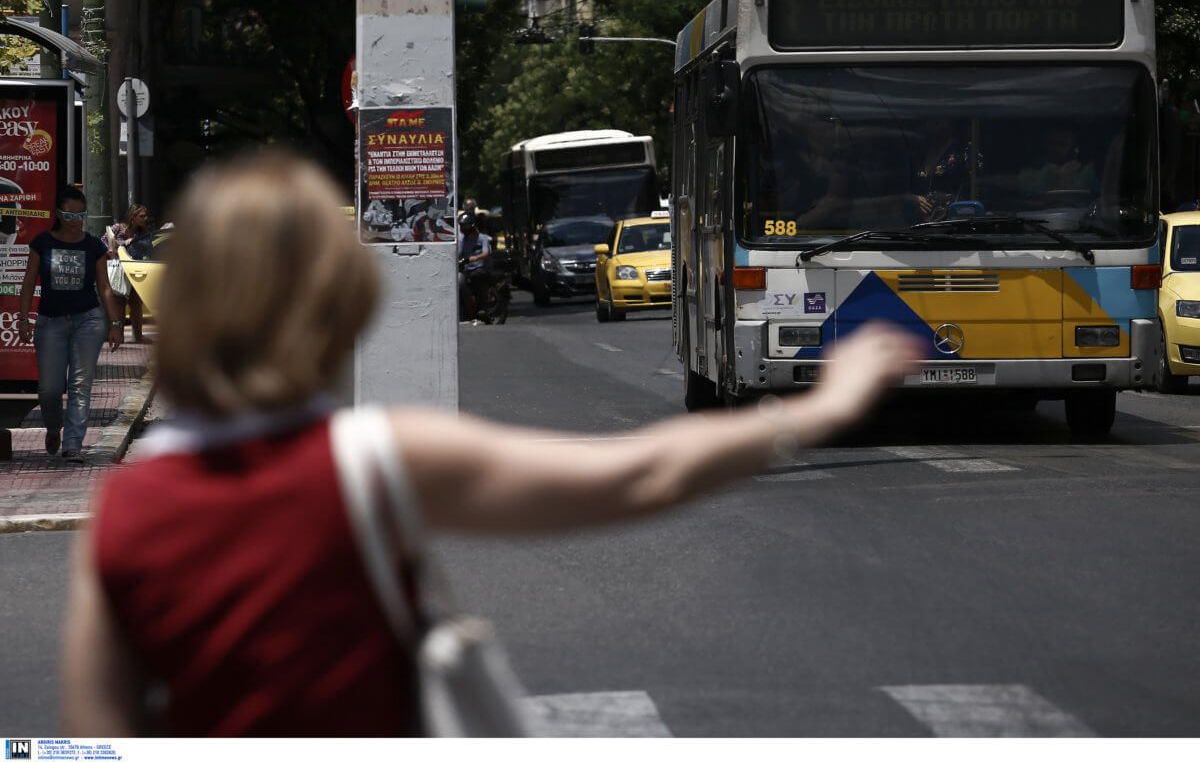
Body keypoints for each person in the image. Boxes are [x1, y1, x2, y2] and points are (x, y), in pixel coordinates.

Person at [60, 150, 919, 737]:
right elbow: (638, 474)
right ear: (339, 308)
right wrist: (816, 409)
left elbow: (95, 731)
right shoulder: (371, 458)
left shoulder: (126, 506)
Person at [18, 187, 124, 462]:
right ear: (58, 214)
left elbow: (105, 287)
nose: (75, 220)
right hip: (50, 322)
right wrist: (23, 318)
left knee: (80, 385)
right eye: (68, 214)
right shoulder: (42, 243)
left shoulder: (94, 245)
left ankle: (73, 443)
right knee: (49, 389)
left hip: (87, 320)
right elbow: (29, 282)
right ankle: (53, 428)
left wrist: (115, 323)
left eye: (80, 214)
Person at [909, 117, 982, 222]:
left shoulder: (965, 151)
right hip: (920, 224)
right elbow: (906, 188)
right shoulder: (920, 152)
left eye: (940, 115)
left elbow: (979, 188)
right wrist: (912, 199)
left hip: (954, 223)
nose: (934, 118)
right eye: (930, 115)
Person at [103, 204, 153, 344]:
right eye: (142, 216)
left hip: (135, 269)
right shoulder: (118, 228)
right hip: (119, 269)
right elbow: (104, 241)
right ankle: (119, 335)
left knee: (136, 303)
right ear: (133, 217)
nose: (145, 219)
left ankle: (138, 335)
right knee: (119, 303)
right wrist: (116, 247)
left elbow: (148, 247)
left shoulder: (143, 233)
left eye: (145, 216)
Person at [1016, 127, 1099, 199]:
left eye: (1061, 144)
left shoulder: (1085, 171)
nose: (1055, 149)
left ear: (1072, 146)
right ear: (1044, 144)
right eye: (1051, 143)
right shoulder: (1031, 169)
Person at [457, 209, 491, 318]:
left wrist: (476, 257)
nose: (463, 228)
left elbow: (486, 253)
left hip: (481, 268)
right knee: (459, 282)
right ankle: (468, 307)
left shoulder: (482, 238)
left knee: (476, 276)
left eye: (465, 225)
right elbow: (459, 254)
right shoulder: (465, 240)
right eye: (462, 226)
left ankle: (482, 306)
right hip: (467, 269)